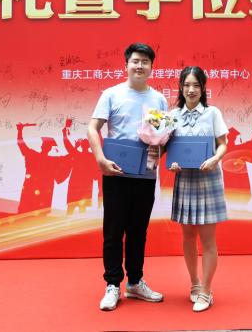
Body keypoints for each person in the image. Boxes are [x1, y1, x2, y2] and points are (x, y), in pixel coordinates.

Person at [87, 43, 168, 311]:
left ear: (152, 67)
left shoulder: (159, 99)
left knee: (138, 232)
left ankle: (134, 282)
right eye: (135, 61)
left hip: (146, 175)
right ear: (126, 65)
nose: (140, 66)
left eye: (145, 62)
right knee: (113, 232)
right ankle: (112, 284)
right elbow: (92, 128)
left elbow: (161, 136)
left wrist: (160, 149)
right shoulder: (111, 94)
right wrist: (100, 158)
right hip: (116, 172)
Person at [167, 66, 228, 312]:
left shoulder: (212, 113)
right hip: (185, 180)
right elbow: (167, 147)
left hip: (208, 179)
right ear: (181, 88)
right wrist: (172, 162)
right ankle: (194, 284)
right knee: (188, 236)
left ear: (203, 88)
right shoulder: (173, 115)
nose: (191, 90)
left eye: (195, 85)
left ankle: (206, 290)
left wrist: (215, 158)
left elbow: (223, 144)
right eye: (186, 85)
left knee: (208, 239)